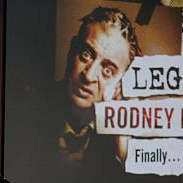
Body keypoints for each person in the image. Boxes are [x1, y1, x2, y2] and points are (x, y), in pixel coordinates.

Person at [58, 7, 140, 164]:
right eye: (86, 55)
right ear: (72, 50)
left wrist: (124, 156)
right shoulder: (27, 107)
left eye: (108, 70)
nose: (88, 76)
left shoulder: (121, 144)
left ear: (122, 85)